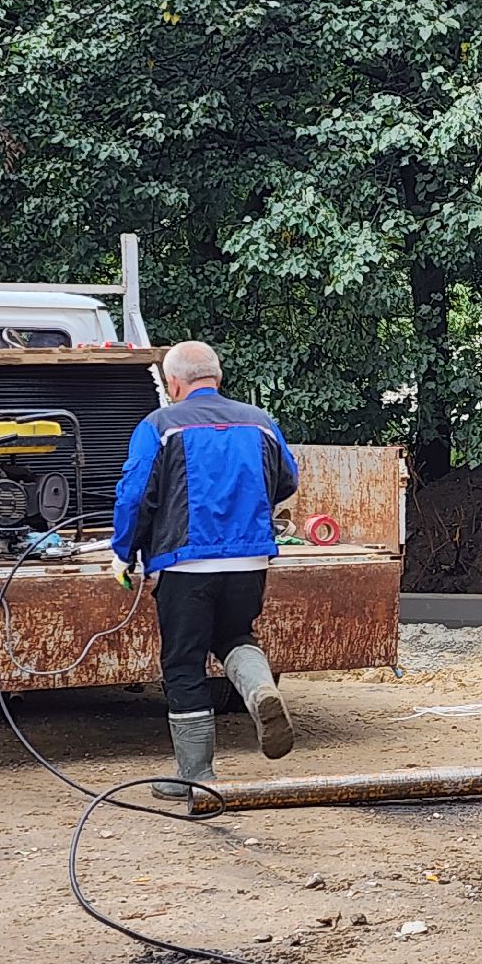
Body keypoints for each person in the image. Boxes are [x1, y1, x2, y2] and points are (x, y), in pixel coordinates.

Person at [112, 340, 300, 799]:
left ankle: (195, 777)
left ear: (173, 383)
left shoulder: (159, 425)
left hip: (185, 564)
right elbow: (288, 479)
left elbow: (136, 495)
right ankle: (258, 692)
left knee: (183, 662)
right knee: (235, 634)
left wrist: (124, 552)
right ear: (217, 376)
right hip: (250, 560)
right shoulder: (260, 422)